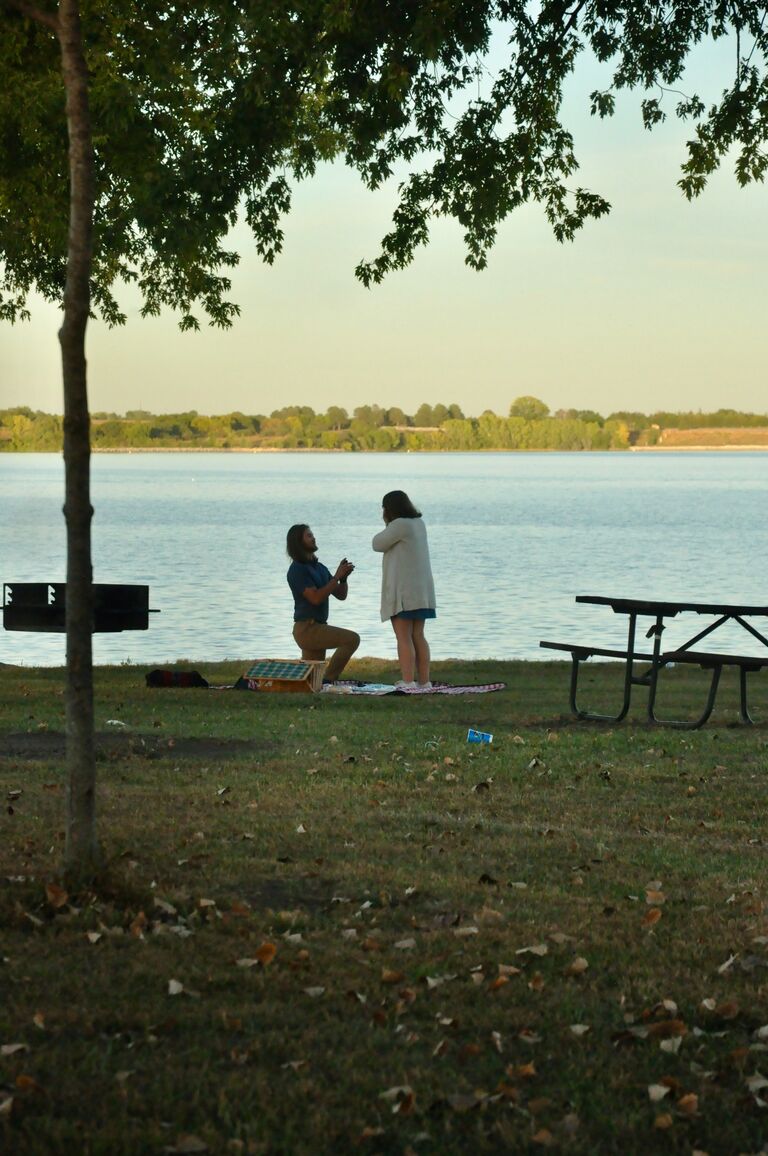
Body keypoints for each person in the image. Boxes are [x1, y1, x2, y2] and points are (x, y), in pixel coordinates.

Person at [372, 490, 436, 690]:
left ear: (389, 509)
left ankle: (408, 681)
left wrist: (388, 523)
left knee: (403, 636)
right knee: (418, 634)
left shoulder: (399, 525)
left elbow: (377, 543)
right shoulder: (418, 524)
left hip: (404, 593)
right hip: (421, 591)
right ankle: (424, 682)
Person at [286, 524, 360, 683]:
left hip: (318, 626)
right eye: (309, 535)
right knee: (352, 639)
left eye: (312, 534)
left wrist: (343, 578)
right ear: (298, 542)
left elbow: (341, 595)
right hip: (307, 629)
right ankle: (329, 680)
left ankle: (318, 684)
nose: (313, 538)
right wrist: (335, 578)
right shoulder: (297, 570)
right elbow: (315, 598)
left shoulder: (319, 568)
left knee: (311, 680)